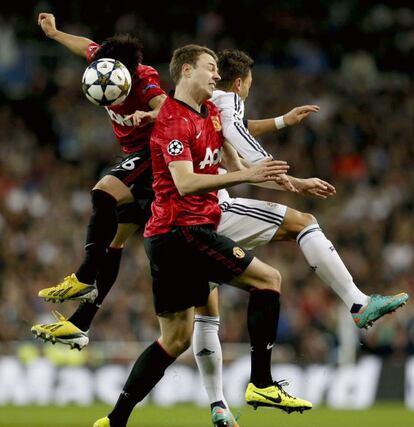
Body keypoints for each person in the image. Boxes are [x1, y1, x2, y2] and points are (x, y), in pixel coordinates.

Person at [92, 44, 313, 427]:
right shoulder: (173, 121)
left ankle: (115, 419)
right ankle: (261, 382)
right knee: (269, 280)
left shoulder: (209, 114)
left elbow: (241, 162)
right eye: (211, 69)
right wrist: (246, 177)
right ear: (187, 71)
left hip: (169, 237)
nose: (216, 76)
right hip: (184, 231)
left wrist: (293, 183)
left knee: (175, 339)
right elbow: (185, 181)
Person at [191, 48, 409, 413]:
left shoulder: (197, 106)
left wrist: (281, 124)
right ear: (241, 83)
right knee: (304, 223)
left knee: (200, 312)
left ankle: (216, 404)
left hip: (175, 222)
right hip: (211, 209)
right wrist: (285, 174)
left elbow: (235, 135)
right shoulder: (227, 99)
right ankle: (358, 303)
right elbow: (240, 138)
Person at [32, 13, 167, 349]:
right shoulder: (104, 61)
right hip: (135, 156)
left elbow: (166, 105)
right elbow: (85, 47)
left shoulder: (143, 76)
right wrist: (54, 33)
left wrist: (148, 114)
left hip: (156, 153)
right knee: (115, 243)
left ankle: (83, 276)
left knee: (104, 189)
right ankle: (81, 324)